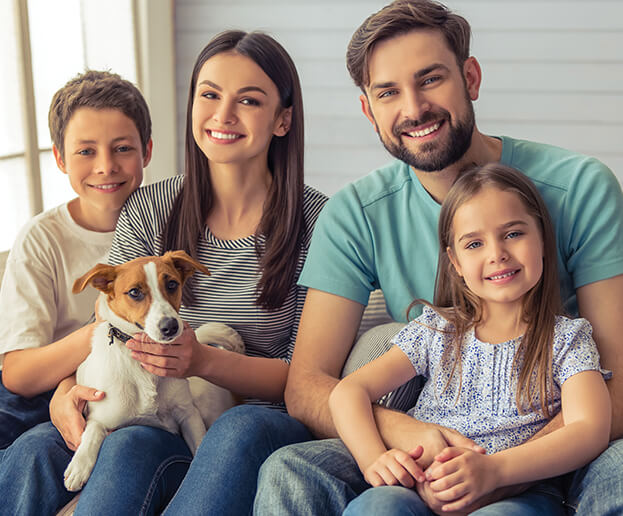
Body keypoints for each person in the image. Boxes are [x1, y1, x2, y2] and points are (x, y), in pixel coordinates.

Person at [253, 1, 623, 514]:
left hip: (556, 440)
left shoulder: (580, 188)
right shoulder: (356, 214)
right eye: (388, 92)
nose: (413, 108)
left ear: (470, 77)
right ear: (369, 109)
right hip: (432, 451)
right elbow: (311, 386)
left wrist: (501, 468)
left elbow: (618, 376)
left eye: (430, 79)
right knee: (290, 467)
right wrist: (413, 439)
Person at [0, 30, 327, 516]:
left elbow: (312, 380)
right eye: (210, 95)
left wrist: (202, 362)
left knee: (218, 433)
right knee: (40, 449)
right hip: (147, 402)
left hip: (256, 414)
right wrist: (67, 392)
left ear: (283, 119)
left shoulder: (319, 223)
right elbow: (112, 327)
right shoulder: (147, 207)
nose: (223, 114)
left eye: (249, 100)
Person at [330, 163, 611, 515]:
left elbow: (590, 429)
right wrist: (375, 458)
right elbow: (348, 392)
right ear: (455, 262)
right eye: (475, 243)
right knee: (379, 507)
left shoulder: (568, 339)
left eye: (513, 234)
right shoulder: (436, 331)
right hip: (421, 487)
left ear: (542, 239)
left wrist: (495, 471)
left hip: (518, 494)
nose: (497, 254)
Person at [0, 69, 151, 451]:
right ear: (60, 158)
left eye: (123, 148)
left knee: (36, 452)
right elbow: (17, 373)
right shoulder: (41, 238)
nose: (105, 166)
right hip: (40, 392)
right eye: (86, 151)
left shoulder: (160, 229)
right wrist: (101, 332)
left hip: (120, 387)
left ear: (147, 150)